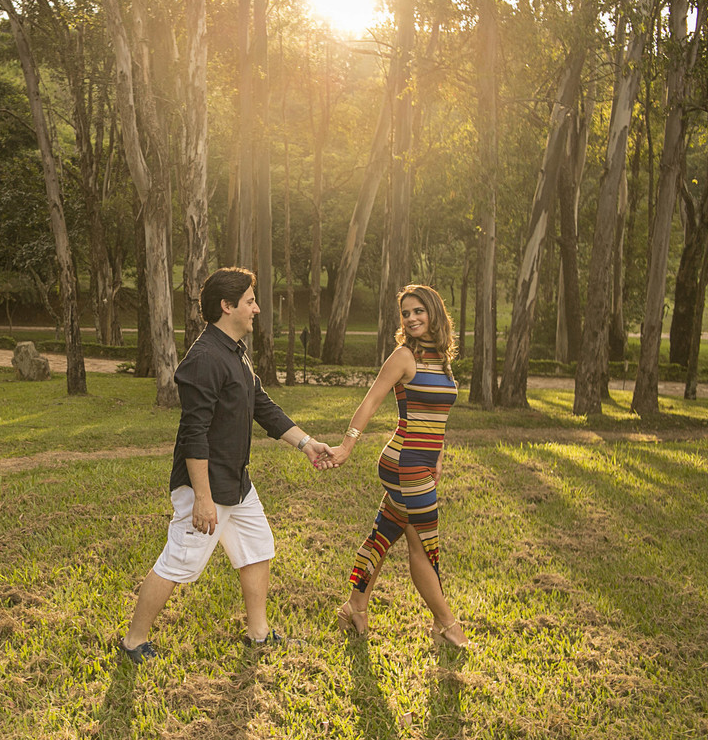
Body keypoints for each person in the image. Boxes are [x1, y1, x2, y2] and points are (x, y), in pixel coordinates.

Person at [119, 267, 332, 663]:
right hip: (206, 487)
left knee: (256, 548)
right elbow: (193, 434)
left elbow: (261, 406)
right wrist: (202, 498)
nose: (256, 308)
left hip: (237, 482)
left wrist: (305, 443)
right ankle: (133, 641)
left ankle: (259, 635)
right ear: (227, 305)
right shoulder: (203, 359)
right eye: (250, 301)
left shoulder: (234, 351)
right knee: (180, 562)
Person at [321, 284, 468, 649]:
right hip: (403, 463)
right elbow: (371, 402)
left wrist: (438, 460)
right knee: (424, 546)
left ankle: (354, 606)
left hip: (421, 463)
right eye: (406, 313)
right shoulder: (404, 357)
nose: (412, 318)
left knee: (383, 536)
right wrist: (346, 445)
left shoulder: (443, 360)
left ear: (434, 313)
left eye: (418, 310)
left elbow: (439, 420)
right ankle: (446, 626)